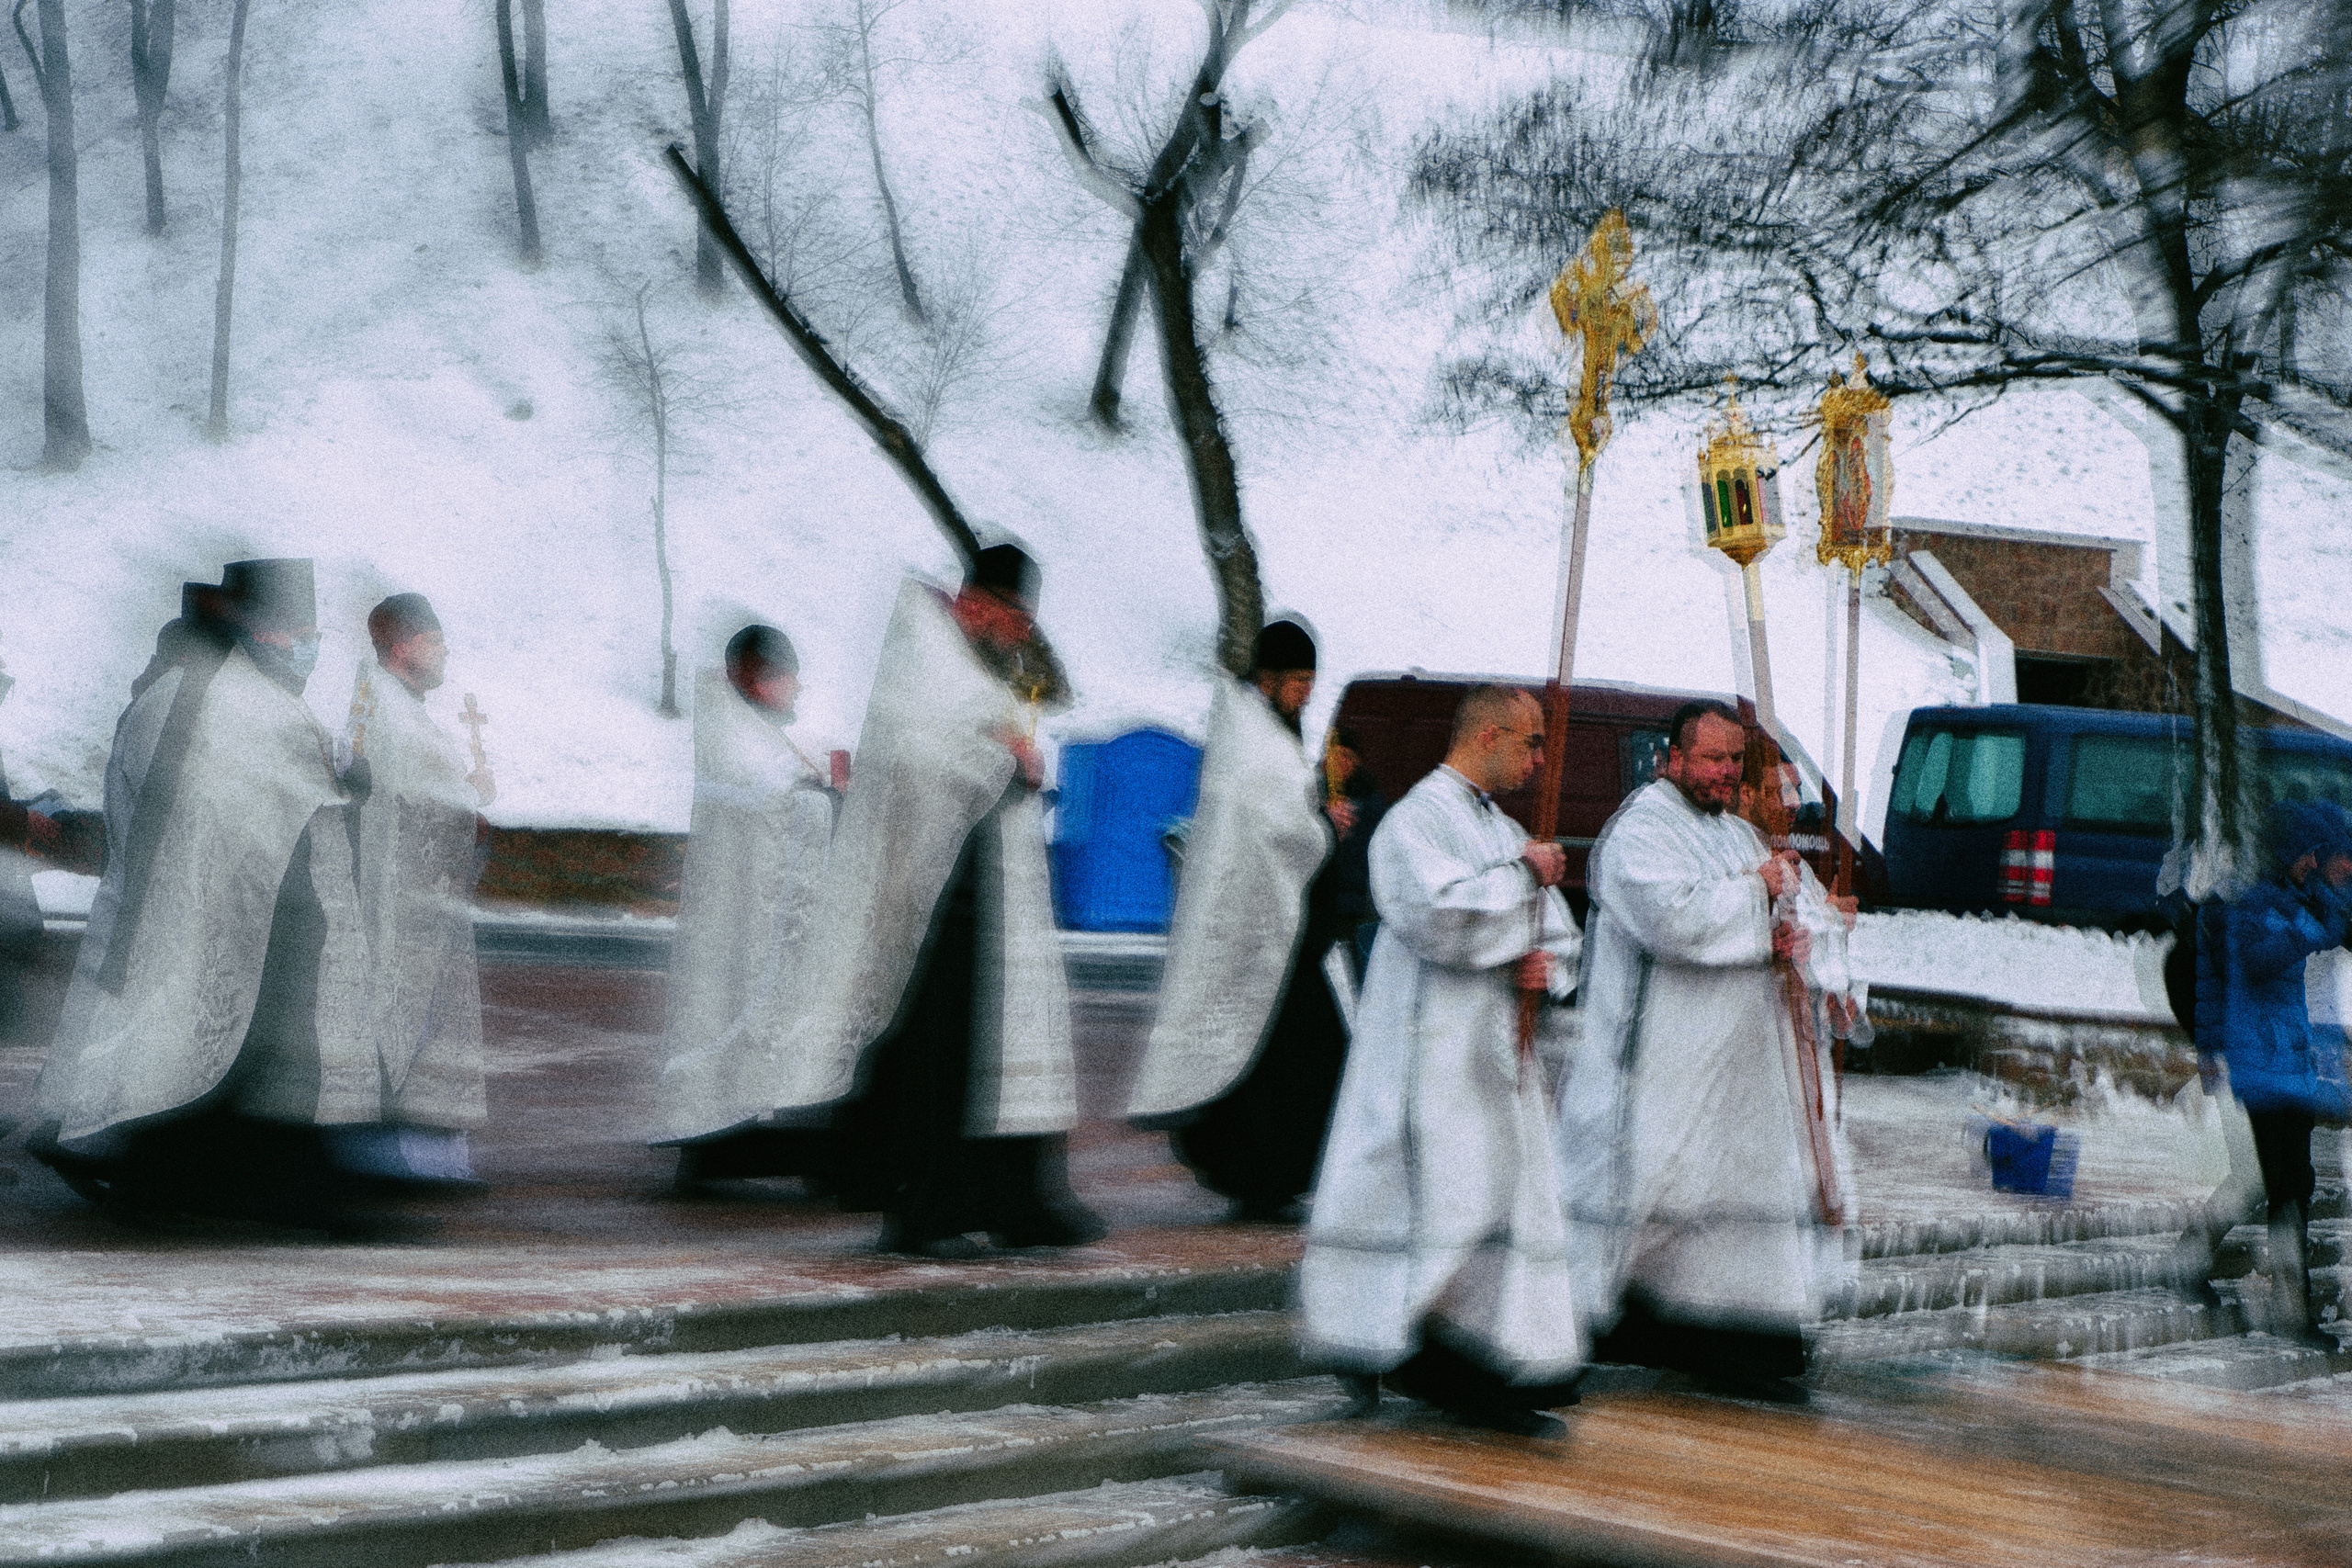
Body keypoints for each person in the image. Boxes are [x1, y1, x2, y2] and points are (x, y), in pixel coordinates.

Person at [30, 559, 389, 1235]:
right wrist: (351, 783)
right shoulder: (245, 700)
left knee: (168, 1039)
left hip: (175, 906)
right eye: (298, 632)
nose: (308, 648)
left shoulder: (179, 686)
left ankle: (151, 1162)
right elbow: (306, 789)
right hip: (235, 912)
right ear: (263, 630)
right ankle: (190, 1177)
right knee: (214, 1052)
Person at [764, 545, 1103, 1258]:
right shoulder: (923, 651)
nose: (1018, 636)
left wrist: (1008, 748)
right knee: (933, 1049)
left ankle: (1009, 1198)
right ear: (978, 601)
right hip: (930, 891)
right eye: (1013, 619)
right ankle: (924, 1207)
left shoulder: (973, 660)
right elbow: (922, 757)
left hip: (985, 880)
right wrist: (1008, 754)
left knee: (1000, 1041)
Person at [1299, 684, 1585, 1438]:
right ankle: (1436, 1355)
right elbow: (1435, 912)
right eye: (1530, 742)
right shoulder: (1417, 818)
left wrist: (1543, 965)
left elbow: (1554, 930)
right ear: (1489, 735)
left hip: (1489, 1057)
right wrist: (1522, 880)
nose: (1539, 759)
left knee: (1492, 1198)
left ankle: (1487, 1351)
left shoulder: (1497, 824)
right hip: (1430, 1053)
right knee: (1445, 1199)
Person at [1555, 700, 1849, 1404]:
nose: (1724, 773)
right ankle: (1583, 1326)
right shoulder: (1640, 832)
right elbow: (1673, 917)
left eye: (1734, 761)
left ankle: (1735, 1335)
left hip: (1735, 1080)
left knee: (1728, 1211)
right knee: (1644, 1202)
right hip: (1656, 1069)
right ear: (1673, 758)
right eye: (1712, 758)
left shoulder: (1742, 834)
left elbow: (1796, 911)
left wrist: (1808, 930)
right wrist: (1757, 898)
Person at [1129, 619, 1358, 1224]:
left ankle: (1273, 1181)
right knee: (1284, 1068)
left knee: (1304, 1063)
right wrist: (1323, 825)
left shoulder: (1266, 734)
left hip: (1284, 935)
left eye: (1312, 680)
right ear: (1270, 677)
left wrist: (1314, 815)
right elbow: (1278, 827)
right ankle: (1260, 1182)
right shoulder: (1254, 740)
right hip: (1264, 937)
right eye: (1299, 680)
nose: (1306, 692)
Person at [657, 624, 842, 1190]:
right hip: (738, 917)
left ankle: (742, 1130)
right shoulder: (731, 734)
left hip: (746, 913)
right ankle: (719, 1135)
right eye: (788, 678)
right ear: (759, 680)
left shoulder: (751, 729)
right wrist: (826, 792)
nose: (798, 689)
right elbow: (771, 794)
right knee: (729, 1009)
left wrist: (821, 787)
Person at [330, 592, 492, 1188]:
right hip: (399, 905)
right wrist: (465, 820)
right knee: (398, 1021)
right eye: (434, 638)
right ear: (401, 645)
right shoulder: (387, 715)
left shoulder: (393, 707)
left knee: (421, 1021)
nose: (445, 650)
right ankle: (391, 1151)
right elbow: (397, 804)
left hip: (423, 900)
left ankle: (421, 1149)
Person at [2196, 799, 2352, 1347]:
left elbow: (2334, 926)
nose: (2314, 864)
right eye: (2309, 854)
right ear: (2289, 851)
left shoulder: (2288, 900)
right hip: (2261, 1061)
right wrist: (2309, 924)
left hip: (2289, 1061)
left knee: (2282, 1181)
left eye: (2319, 855)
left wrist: (2324, 911)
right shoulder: (2257, 904)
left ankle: (2192, 1259)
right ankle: (2289, 1309)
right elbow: (2260, 961)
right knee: (2288, 1182)